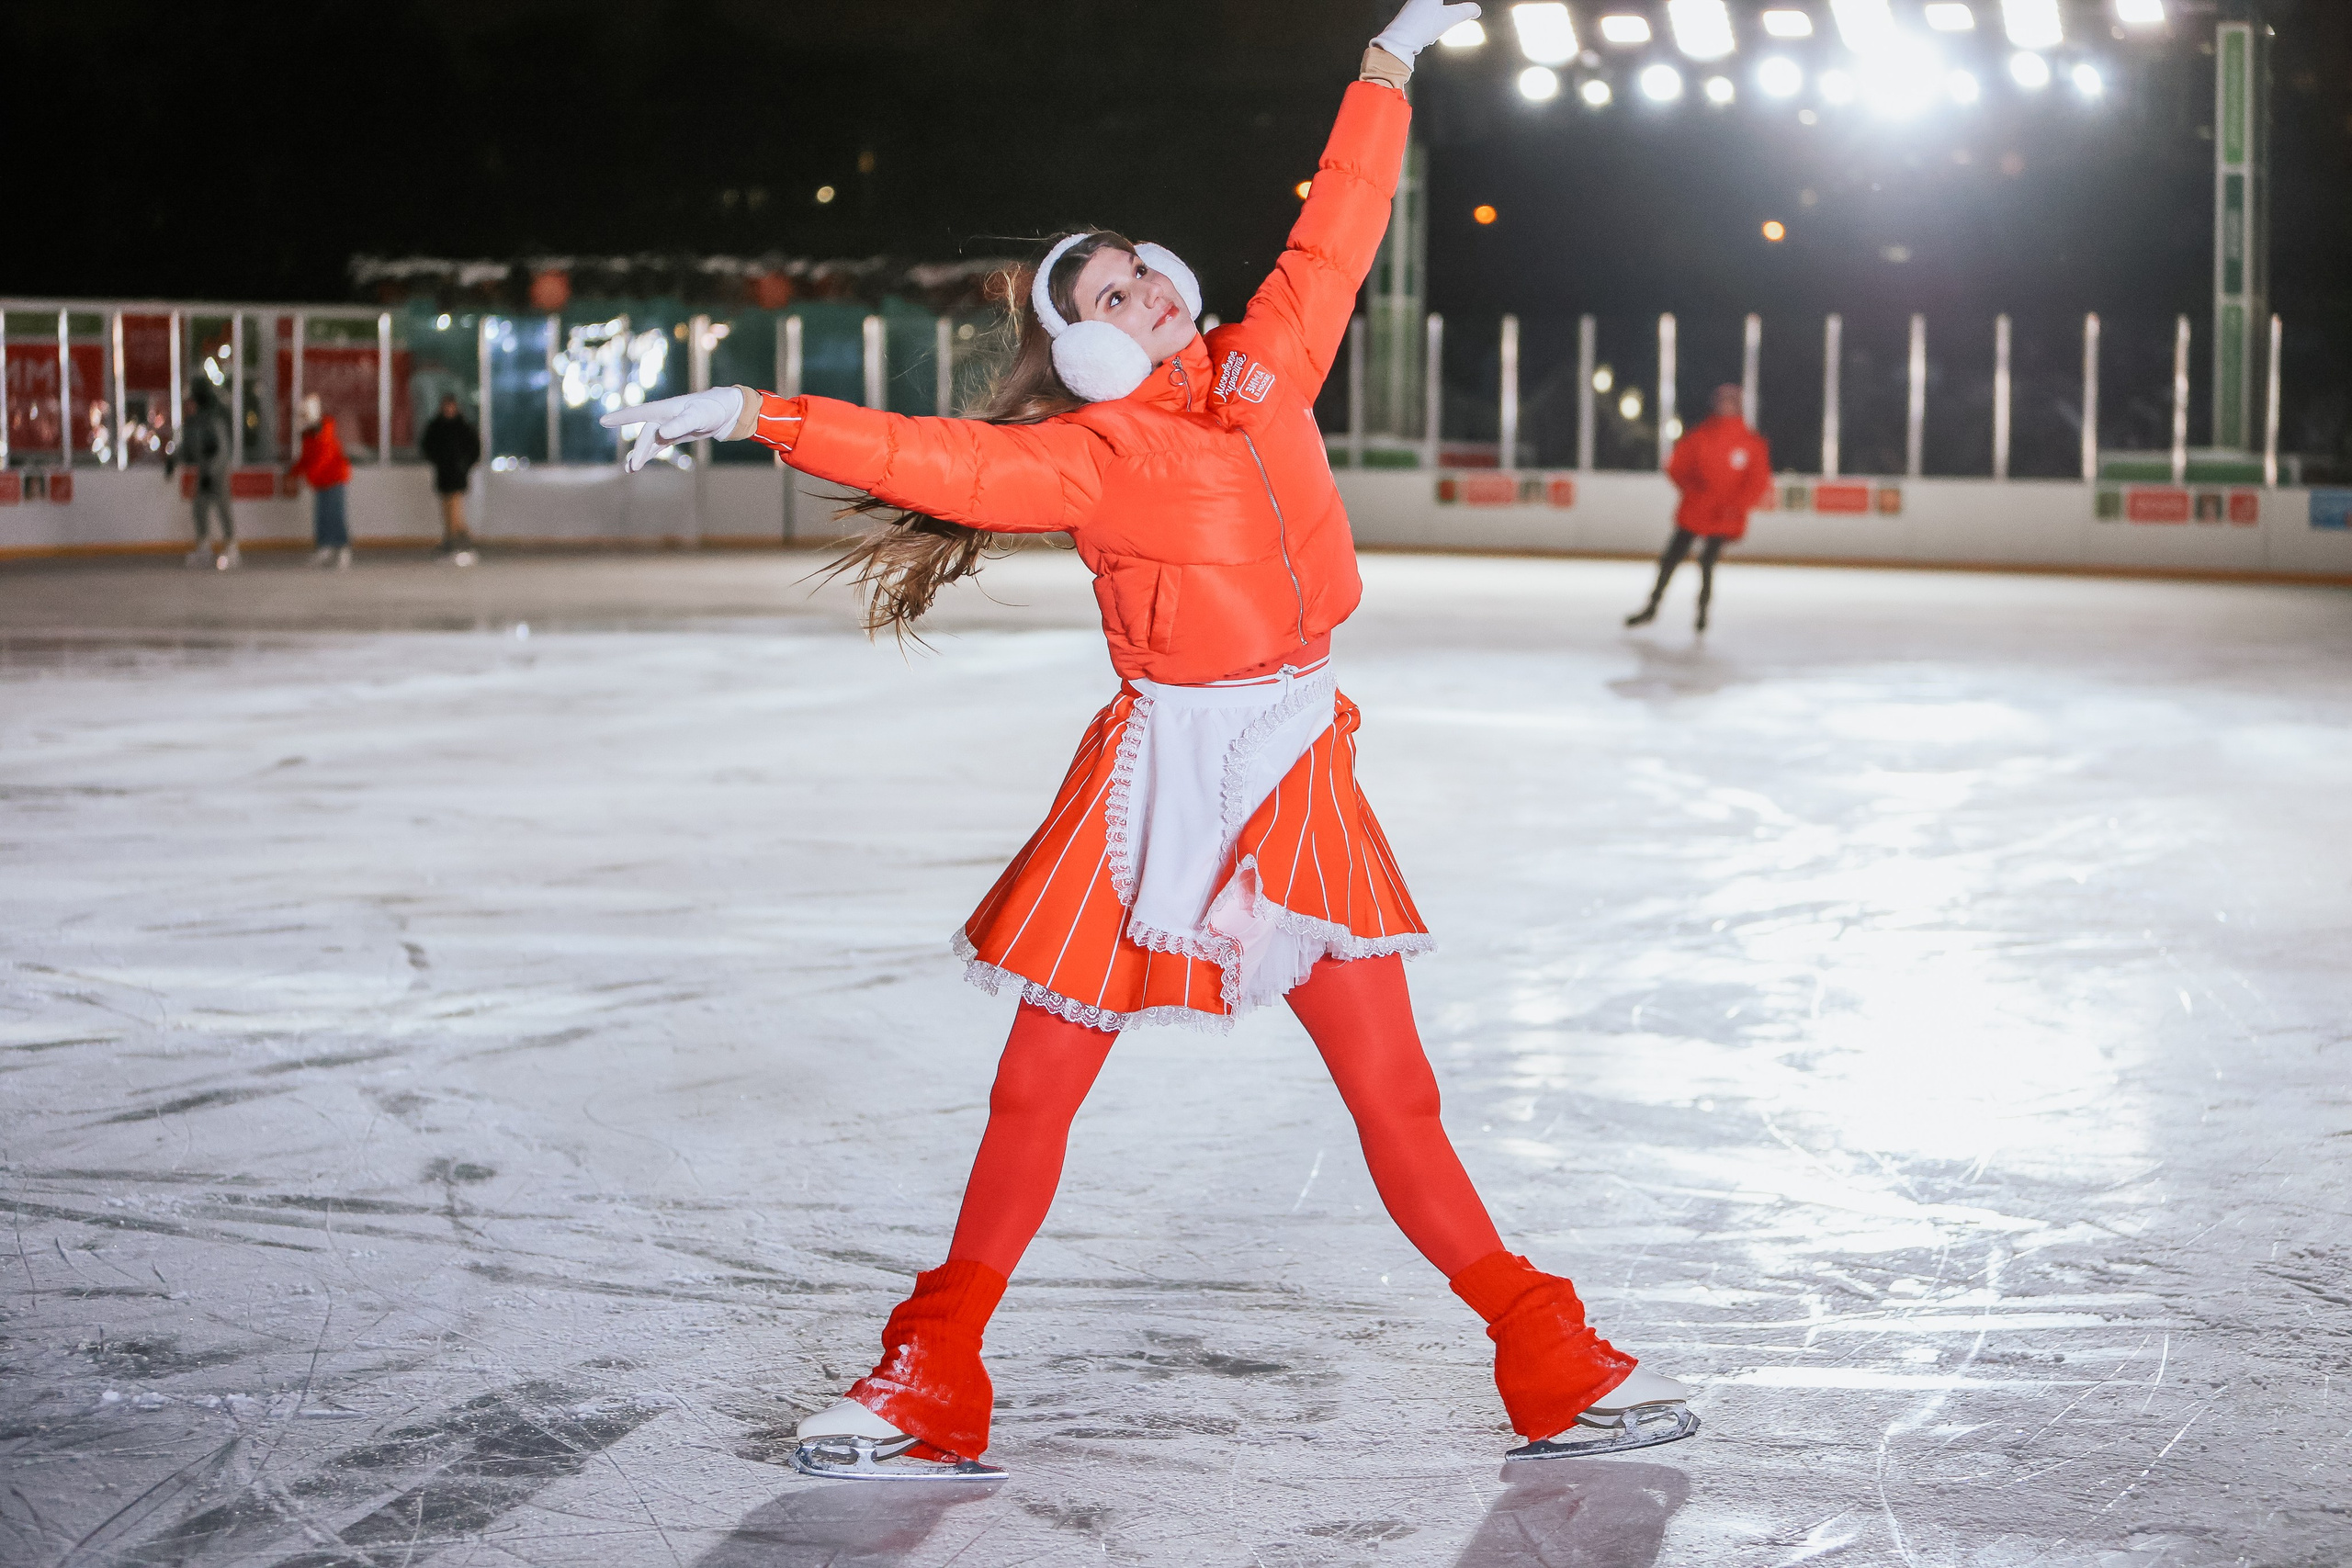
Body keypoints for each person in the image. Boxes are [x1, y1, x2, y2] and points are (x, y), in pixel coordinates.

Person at [605, 0, 1697, 1483]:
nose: (1145, 293)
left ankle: (1549, 1352)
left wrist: (1387, 64)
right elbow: (936, 457)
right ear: (1083, 347)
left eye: (1141, 273)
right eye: (1108, 295)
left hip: (1296, 760)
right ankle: (933, 1364)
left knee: (1397, 1092)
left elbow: (1338, 237)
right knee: (1036, 1086)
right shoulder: (1092, 455)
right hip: (1164, 775)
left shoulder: (1267, 368)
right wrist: (758, 407)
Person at [1625, 383, 1771, 633]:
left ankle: (1702, 612)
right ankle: (1652, 605)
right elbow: (1676, 466)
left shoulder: (1751, 443)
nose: (1725, 406)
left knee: (1707, 562)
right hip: (1695, 510)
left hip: (1723, 515)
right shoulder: (1699, 436)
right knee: (1671, 559)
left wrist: (1735, 506)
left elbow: (1757, 482)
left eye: (1730, 402)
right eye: (1722, 401)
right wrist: (1693, 488)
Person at [167, 378, 238, 569]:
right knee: (199, 507)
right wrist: (172, 460)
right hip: (204, 471)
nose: (187, 407)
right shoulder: (192, 423)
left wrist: (212, 473)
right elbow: (187, 447)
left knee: (223, 506)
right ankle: (204, 546)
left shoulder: (213, 421)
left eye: (190, 403)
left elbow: (223, 450)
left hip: (217, 471)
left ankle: (231, 546)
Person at [291, 394, 354, 569]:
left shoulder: (324, 432)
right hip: (321, 481)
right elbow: (307, 458)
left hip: (335, 479)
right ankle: (324, 547)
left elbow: (322, 459)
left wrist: (308, 477)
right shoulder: (308, 435)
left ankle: (342, 548)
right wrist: (294, 472)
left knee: (335, 515)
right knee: (321, 515)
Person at [419, 393, 481, 564]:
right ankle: (458, 537)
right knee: (447, 508)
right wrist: (437, 460)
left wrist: (465, 464)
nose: (448, 409)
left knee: (455, 506)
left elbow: (474, 449)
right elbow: (427, 446)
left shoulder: (463, 427)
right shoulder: (436, 426)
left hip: (458, 474)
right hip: (443, 473)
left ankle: (455, 540)